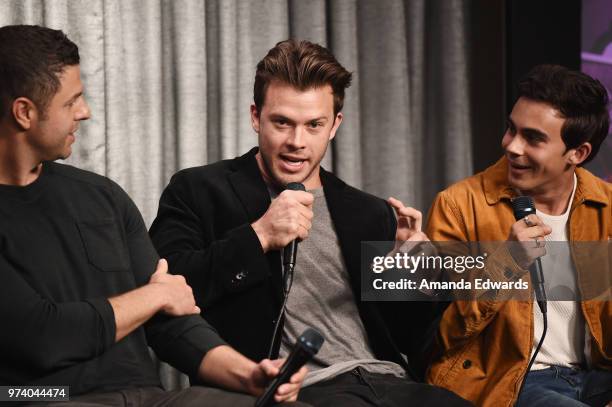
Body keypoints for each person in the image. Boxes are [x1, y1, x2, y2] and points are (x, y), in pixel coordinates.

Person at [150, 39, 471, 406]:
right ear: (256, 117)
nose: (296, 142)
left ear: (334, 125)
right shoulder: (199, 190)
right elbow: (166, 291)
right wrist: (259, 237)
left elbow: (411, 341)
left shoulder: (371, 213)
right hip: (296, 391)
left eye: (314, 125)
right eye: (282, 123)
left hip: (389, 381)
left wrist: (415, 276)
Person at [0, 25, 307, 406]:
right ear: (24, 113)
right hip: (39, 396)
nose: (85, 112)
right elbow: (42, 335)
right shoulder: (197, 190)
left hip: (149, 397)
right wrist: (155, 296)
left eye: (315, 124)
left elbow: (171, 320)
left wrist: (249, 376)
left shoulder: (102, 196)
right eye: (72, 101)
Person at [423, 65, 612, 406]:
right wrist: (506, 262)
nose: (511, 146)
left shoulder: (608, 208)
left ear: (578, 154)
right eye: (512, 129)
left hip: (596, 375)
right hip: (509, 379)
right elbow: (440, 336)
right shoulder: (459, 206)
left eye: (533, 138)